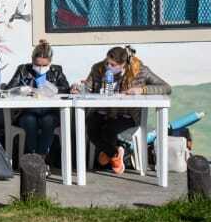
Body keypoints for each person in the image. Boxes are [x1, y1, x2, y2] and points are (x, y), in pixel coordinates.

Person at [73, 45, 171, 174]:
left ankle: (110, 154)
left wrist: (142, 90)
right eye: (107, 63)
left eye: (113, 65)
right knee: (91, 127)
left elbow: (166, 87)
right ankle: (115, 153)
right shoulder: (98, 68)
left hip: (126, 114)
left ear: (123, 64)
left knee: (109, 129)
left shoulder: (140, 71)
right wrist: (78, 88)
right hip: (103, 111)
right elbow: (88, 87)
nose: (109, 66)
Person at [2, 39, 72, 158]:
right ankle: (35, 156)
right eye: (37, 65)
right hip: (28, 111)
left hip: (49, 111)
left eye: (44, 65)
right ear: (32, 60)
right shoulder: (23, 69)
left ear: (50, 62)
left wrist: (52, 89)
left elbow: (66, 88)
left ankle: (39, 158)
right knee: (29, 121)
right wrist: (22, 89)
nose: (40, 68)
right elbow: (9, 89)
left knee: (48, 121)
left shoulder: (56, 70)